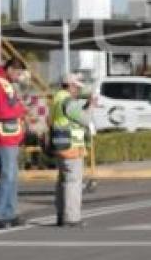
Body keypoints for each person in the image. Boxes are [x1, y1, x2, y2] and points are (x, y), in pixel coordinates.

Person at [0, 58, 27, 229]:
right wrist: (20, 109)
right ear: (9, 69)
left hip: (11, 137)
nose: (18, 77)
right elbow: (0, 111)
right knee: (6, 176)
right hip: (2, 137)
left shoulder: (5, 83)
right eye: (17, 73)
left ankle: (9, 213)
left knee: (12, 177)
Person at [50, 73, 95, 227]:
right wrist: (91, 106)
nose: (77, 90)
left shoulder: (57, 98)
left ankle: (62, 216)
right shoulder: (69, 101)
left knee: (63, 181)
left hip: (60, 144)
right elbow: (85, 119)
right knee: (73, 182)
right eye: (76, 86)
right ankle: (72, 217)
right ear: (69, 86)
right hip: (71, 147)